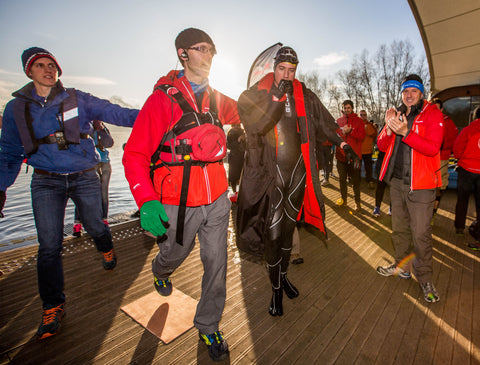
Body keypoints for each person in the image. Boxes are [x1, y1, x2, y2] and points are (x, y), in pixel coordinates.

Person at [0, 47, 139, 339]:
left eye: (52, 65)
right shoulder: (15, 109)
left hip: (85, 176)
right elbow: (10, 152)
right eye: (41, 65)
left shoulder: (77, 98)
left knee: (94, 224)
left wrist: (156, 116)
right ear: (29, 71)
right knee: (49, 246)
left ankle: (105, 246)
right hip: (45, 181)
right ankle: (53, 305)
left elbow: (115, 112)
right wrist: (1, 189)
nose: (49, 69)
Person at [122, 28, 239, 362]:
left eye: (212, 50)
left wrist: (268, 96)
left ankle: (208, 324)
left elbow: (248, 112)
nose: (209, 56)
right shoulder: (162, 99)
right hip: (177, 198)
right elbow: (134, 155)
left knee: (217, 263)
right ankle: (161, 271)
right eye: (202, 49)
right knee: (173, 253)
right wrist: (145, 199)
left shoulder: (216, 98)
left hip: (217, 197)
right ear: (183, 54)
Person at [236, 46, 356, 317]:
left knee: (289, 230)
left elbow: (325, 124)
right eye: (282, 69)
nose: (287, 75)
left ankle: (284, 275)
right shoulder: (256, 93)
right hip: (272, 174)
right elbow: (253, 123)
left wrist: (343, 144)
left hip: (298, 173)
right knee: (274, 233)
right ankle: (276, 290)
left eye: (292, 70)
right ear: (274, 68)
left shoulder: (305, 95)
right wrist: (276, 98)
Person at [376, 74, 443, 303]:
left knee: (421, 234)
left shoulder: (433, 114)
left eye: (414, 91)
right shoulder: (399, 113)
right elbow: (382, 145)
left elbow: (433, 148)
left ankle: (424, 279)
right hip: (397, 183)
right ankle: (401, 266)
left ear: (421, 93)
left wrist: (406, 133)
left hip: (421, 185)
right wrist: (389, 125)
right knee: (400, 228)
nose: (409, 95)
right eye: (405, 92)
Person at [73, 120, 114, 237]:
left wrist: (101, 130)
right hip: (88, 164)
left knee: (103, 193)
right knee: (83, 193)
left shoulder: (102, 127)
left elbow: (109, 143)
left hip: (104, 163)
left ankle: (104, 220)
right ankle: (77, 223)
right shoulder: (83, 125)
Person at [452, 106, 480, 248]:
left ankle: (459, 227)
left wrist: (460, 157)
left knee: (462, 200)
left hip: (467, 170)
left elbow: (457, 148)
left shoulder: (469, 130)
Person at [335, 100, 365, 210]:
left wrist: (350, 132)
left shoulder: (359, 121)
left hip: (355, 158)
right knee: (342, 180)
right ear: (342, 108)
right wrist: (343, 133)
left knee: (355, 182)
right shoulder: (338, 121)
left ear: (352, 108)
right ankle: (344, 201)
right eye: (345, 108)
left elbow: (362, 137)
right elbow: (335, 136)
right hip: (341, 156)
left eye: (348, 108)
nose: (347, 110)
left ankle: (357, 203)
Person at [432, 98, 458, 220]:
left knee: (438, 185)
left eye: (437, 109)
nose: (435, 111)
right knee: (430, 185)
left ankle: (434, 210)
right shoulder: (428, 121)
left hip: (442, 157)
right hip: (429, 158)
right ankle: (430, 209)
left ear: (441, 109)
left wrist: (441, 145)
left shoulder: (448, 122)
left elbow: (453, 140)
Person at [359, 110, 378, 188]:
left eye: (364, 115)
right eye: (361, 115)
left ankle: (369, 180)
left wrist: (367, 127)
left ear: (366, 116)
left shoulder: (370, 125)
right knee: (357, 167)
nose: (363, 116)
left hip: (367, 150)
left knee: (368, 167)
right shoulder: (357, 124)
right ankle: (356, 180)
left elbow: (373, 134)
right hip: (359, 150)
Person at [226, 123, 246, 193]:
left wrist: (244, 140)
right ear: (232, 126)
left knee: (243, 174)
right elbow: (229, 146)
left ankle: (241, 192)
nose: (237, 127)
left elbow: (247, 146)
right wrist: (238, 140)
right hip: (234, 157)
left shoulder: (244, 132)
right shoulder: (230, 134)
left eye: (238, 125)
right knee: (233, 176)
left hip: (242, 156)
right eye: (235, 125)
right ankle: (234, 191)